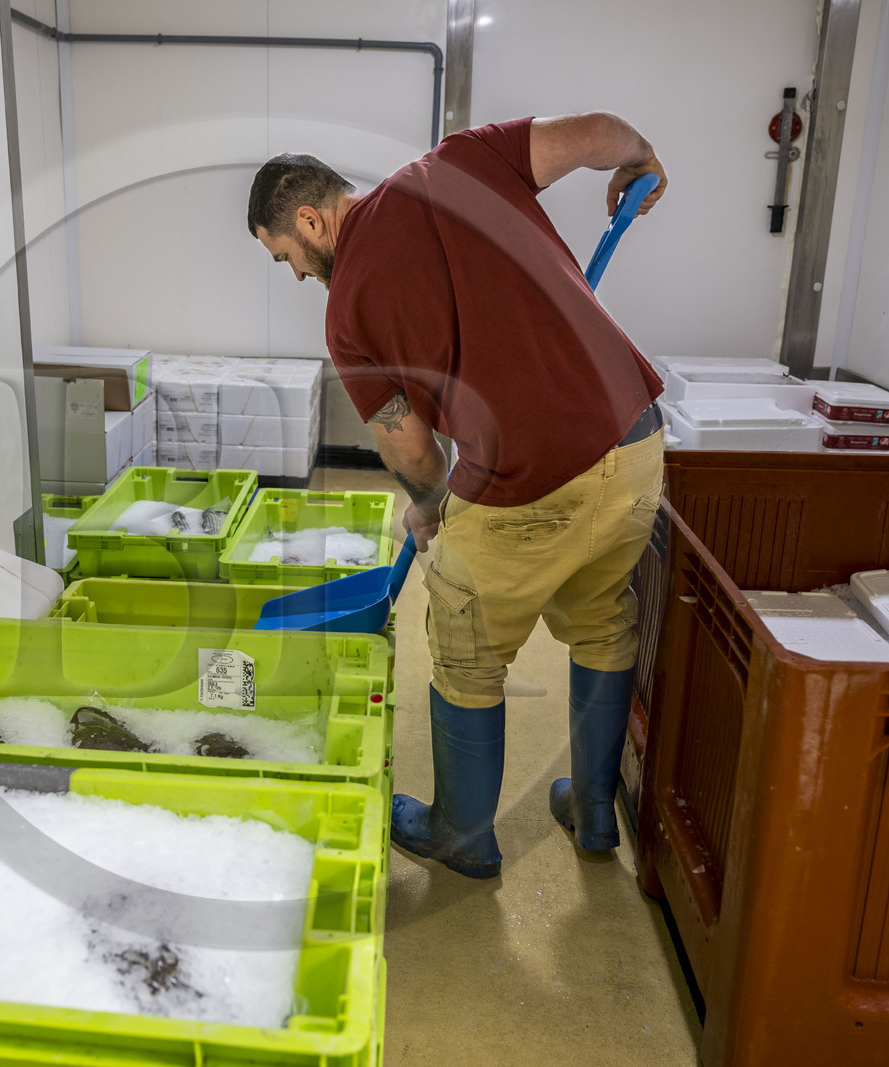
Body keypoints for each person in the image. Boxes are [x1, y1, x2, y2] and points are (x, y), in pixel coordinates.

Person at [247, 113, 667, 878]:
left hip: (529, 476)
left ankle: (461, 833)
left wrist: (433, 502)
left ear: (310, 219)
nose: (300, 275)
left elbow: (408, 443)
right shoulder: (464, 160)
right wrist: (639, 160)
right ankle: (595, 808)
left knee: (467, 650)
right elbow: (603, 131)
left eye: (288, 257)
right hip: (635, 441)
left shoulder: (348, 315)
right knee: (602, 618)